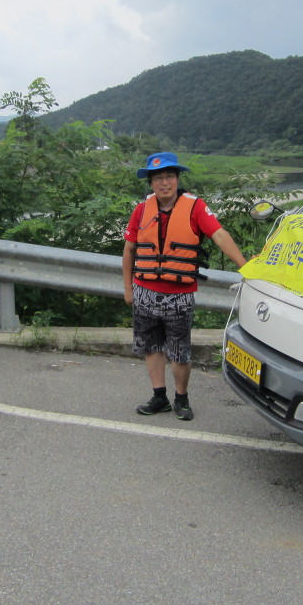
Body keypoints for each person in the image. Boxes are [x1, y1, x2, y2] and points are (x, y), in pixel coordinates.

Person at [122, 152, 247, 421]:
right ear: (151, 182)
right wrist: (128, 289)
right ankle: (159, 397)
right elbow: (129, 250)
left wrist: (244, 266)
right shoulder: (141, 209)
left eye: (169, 176)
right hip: (144, 291)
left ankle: (181, 398)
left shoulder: (195, 207)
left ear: (177, 179)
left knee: (180, 351)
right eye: (158, 178)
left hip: (178, 294)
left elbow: (219, 235)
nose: (164, 183)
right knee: (150, 346)